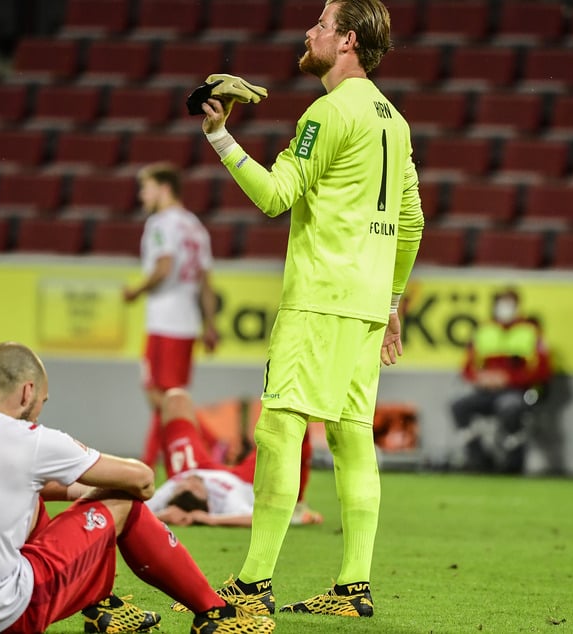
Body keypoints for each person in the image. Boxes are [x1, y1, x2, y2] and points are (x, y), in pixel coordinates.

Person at [197, 0, 424, 618]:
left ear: (346, 41)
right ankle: (353, 586)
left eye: (321, 25)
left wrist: (219, 135)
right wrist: (393, 300)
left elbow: (276, 196)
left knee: (278, 428)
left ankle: (251, 585)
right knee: (353, 439)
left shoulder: (327, 112)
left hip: (319, 301)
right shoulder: (394, 122)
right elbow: (412, 221)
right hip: (366, 306)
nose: (309, 32)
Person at [0, 342, 275, 634]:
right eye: (40, 401)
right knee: (122, 500)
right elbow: (141, 479)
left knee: (35, 498)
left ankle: (104, 607)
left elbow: (12, 482)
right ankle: (214, 615)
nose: (39, 410)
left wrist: (76, 491)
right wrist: (99, 489)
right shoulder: (27, 439)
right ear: (26, 393)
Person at [123, 162, 218, 469]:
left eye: (146, 187)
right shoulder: (195, 226)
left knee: (160, 398)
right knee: (164, 397)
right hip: (187, 323)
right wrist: (210, 325)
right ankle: (162, 458)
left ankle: (159, 460)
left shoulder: (161, 224)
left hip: (164, 320)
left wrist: (136, 291)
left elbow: (164, 265)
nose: (142, 195)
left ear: (164, 189)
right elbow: (206, 281)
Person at [146, 388, 322, 528]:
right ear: (209, 501)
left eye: (182, 486)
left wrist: (162, 515)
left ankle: (216, 445)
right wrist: (209, 520)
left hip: (193, 467)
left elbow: (128, 513)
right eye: (196, 489)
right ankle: (297, 503)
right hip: (245, 480)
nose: (190, 482)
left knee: (175, 399)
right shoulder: (228, 499)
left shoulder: (171, 491)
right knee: (291, 423)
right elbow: (257, 519)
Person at [450, 288, 551, 474]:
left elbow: (543, 371)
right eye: (502, 303)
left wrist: (508, 379)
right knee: (459, 407)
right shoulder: (484, 330)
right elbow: (468, 368)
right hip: (487, 391)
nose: (505, 308)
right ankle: (478, 458)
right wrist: (481, 377)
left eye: (509, 303)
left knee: (510, 408)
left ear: (517, 306)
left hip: (515, 390)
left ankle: (512, 464)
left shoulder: (530, 331)